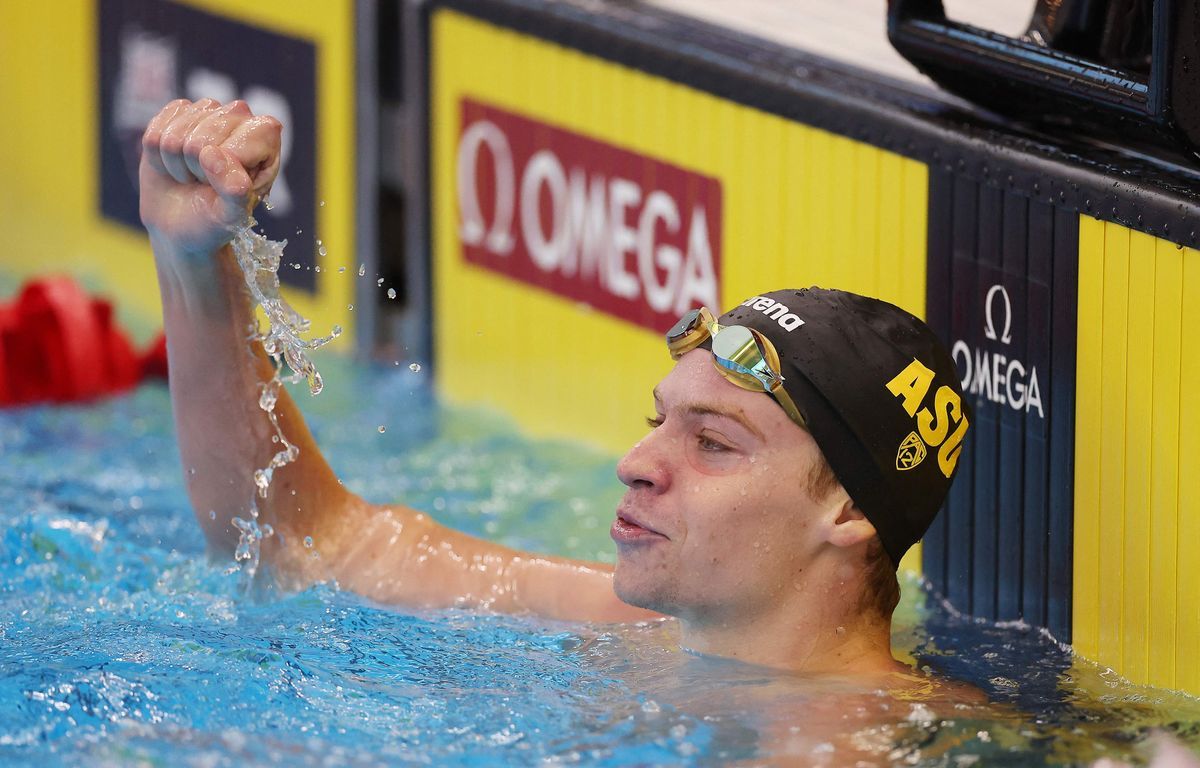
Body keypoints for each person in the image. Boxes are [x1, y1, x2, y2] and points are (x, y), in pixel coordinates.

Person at [140, 98, 971, 683]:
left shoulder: (867, 749)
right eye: (658, 420)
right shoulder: (644, 634)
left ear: (849, 513)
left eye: (713, 443)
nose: (635, 463)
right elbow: (305, 544)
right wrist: (192, 263)